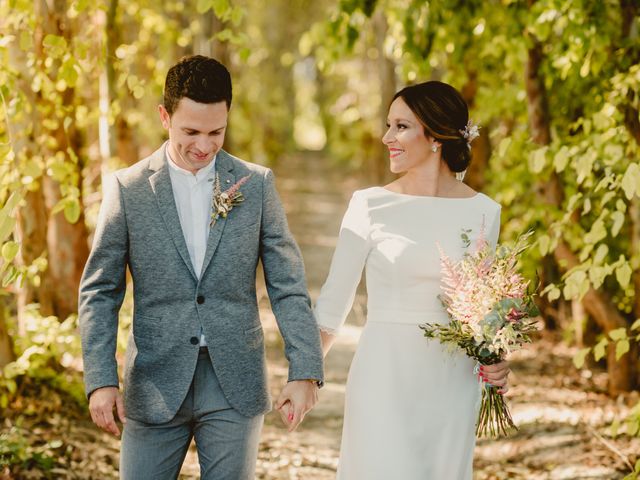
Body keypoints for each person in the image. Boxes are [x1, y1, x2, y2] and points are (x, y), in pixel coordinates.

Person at [78, 55, 324, 480]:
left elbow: (287, 283)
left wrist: (305, 370)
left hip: (235, 379)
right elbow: (100, 291)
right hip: (154, 381)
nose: (205, 146)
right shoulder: (128, 188)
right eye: (190, 131)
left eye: (216, 132)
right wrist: (100, 379)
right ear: (164, 116)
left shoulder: (257, 184)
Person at [314, 81, 511, 479]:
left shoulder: (484, 213)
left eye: (401, 127)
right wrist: (304, 375)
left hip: (452, 382)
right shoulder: (370, 205)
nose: (387, 137)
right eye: (389, 125)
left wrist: (499, 358)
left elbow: (484, 310)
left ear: (435, 135)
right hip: (383, 374)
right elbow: (333, 305)